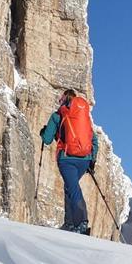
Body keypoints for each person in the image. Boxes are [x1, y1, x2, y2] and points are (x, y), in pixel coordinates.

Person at [40, 88, 99, 235]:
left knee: (73, 188)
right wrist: (92, 160)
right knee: (69, 187)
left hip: (67, 159)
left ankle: (81, 223)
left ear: (64, 99)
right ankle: (70, 223)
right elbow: (94, 140)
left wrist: (43, 132)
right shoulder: (83, 118)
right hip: (84, 160)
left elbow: (47, 139)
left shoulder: (58, 115)